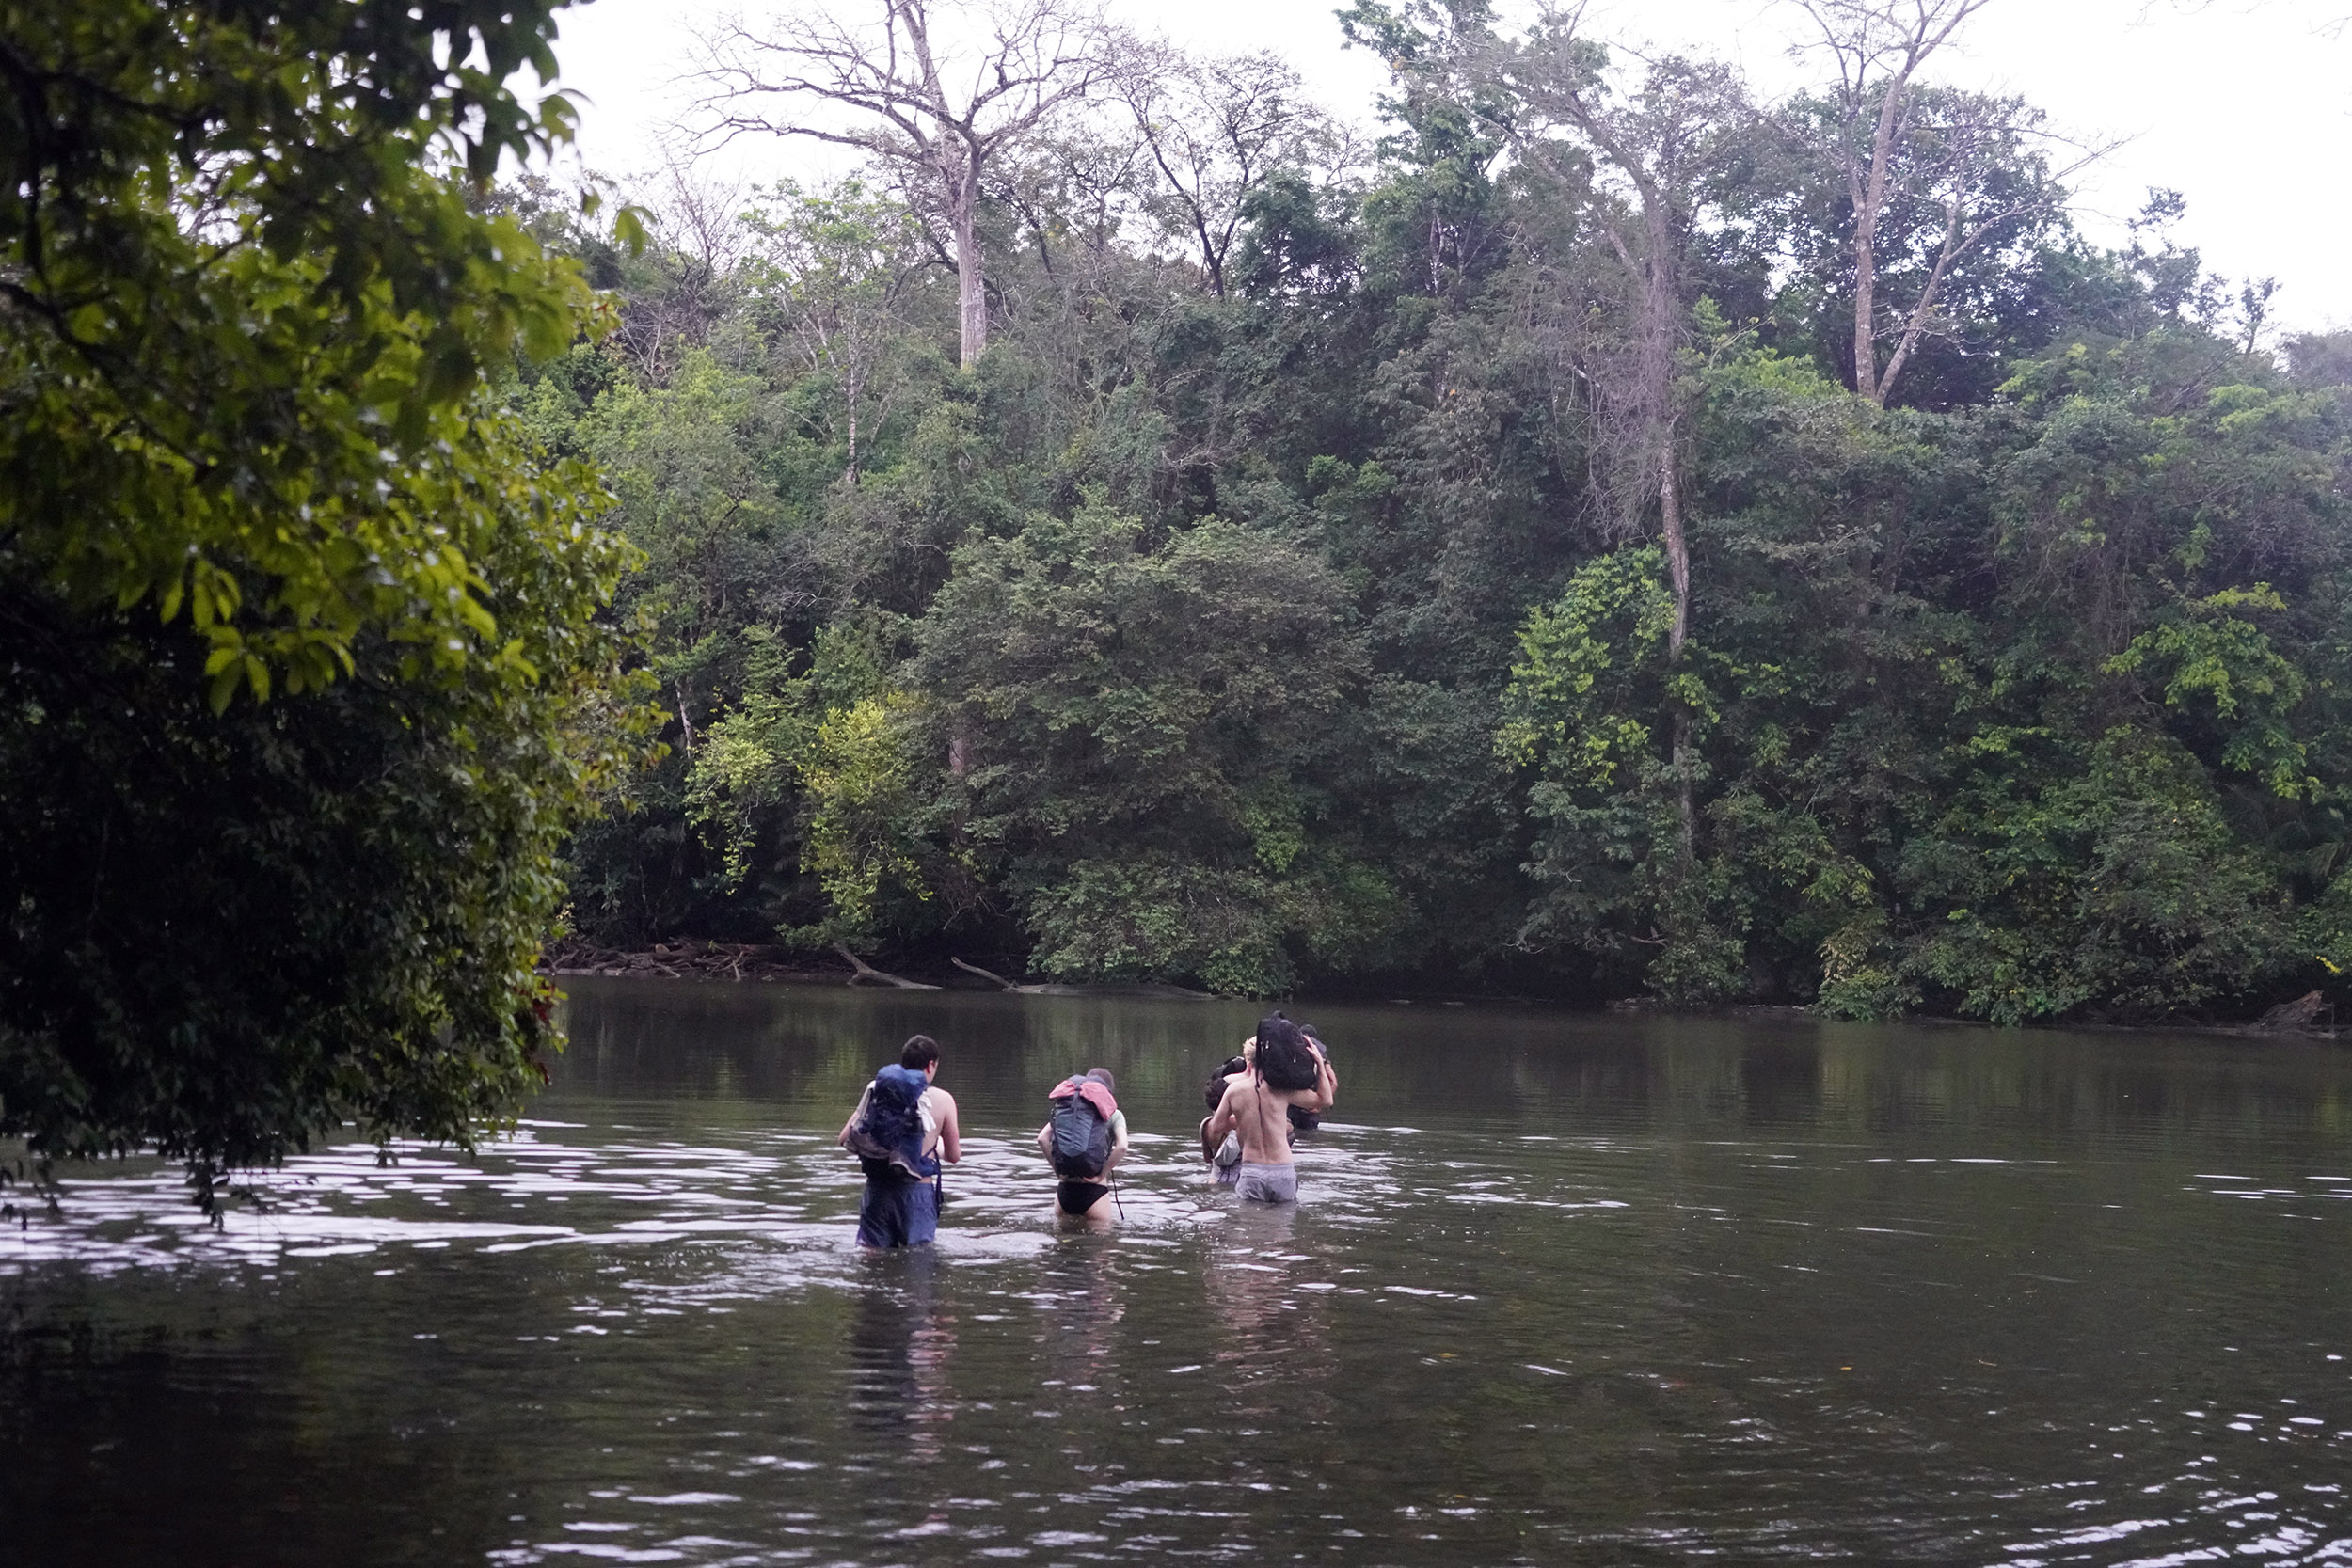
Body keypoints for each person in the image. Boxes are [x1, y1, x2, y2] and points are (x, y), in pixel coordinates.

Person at [839, 1035, 961, 1248]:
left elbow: (844, 1138)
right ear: (931, 1065)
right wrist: (936, 1147)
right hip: (917, 1194)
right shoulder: (943, 1100)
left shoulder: (876, 1089)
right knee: (918, 1262)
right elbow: (954, 1156)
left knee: (871, 1258)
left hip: (877, 1190)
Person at [1204, 1021, 1335, 1205]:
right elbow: (1326, 1100)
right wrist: (1320, 1064)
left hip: (1252, 1172)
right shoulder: (1283, 1091)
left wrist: (1242, 1120)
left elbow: (1215, 1128)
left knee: (1248, 1228)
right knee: (1281, 1229)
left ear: (1248, 1061)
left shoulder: (1234, 1091)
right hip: (1282, 1171)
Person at [1037, 1066, 1128, 1223]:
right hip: (1095, 1193)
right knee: (1101, 1244)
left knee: (1062, 1243)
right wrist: (1101, 1175)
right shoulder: (1114, 1113)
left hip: (1065, 1191)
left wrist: (1057, 1171)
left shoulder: (1068, 1109)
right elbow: (1122, 1146)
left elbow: (1042, 1139)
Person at [1200, 1054, 1248, 1186]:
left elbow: (1207, 1159)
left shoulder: (1206, 1125)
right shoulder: (1245, 1120)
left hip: (1215, 1180)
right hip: (1242, 1181)